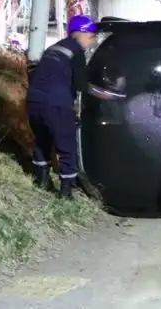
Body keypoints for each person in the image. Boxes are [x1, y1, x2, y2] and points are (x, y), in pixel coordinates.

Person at [26, 15, 99, 199]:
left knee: (42, 140)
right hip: (56, 104)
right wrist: (105, 94)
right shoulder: (76, 51)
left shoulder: (54, 48)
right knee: (67, 146)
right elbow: (81, 85)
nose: (92, 41)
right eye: (91, 36)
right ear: (80, 33)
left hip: (34, 101)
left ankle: (41, 182)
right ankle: (66, 192)